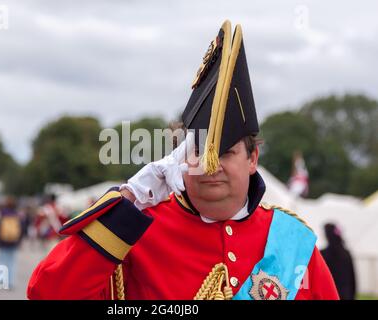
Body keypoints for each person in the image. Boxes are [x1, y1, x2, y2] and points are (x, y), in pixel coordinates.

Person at [27, 20, 339, 300]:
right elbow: (48, 293)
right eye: (198, 151)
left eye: (225, 152)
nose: (210, 164)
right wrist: (128, 203)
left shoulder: (292, 241)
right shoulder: (137, 230)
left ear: (253, 158)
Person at [0, 196, 23, 290]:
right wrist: (19, 241)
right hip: (13, 241)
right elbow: (21, 229)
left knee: (1, 262)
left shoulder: (2, 215)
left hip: (3, 241)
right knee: (12, 263)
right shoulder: (17, 215)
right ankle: (10, 283)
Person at [321, 223, 356, 300]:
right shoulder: (346, 253)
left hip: (329, 294)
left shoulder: (323, 254)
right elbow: (352, 278)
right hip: (346, 295)